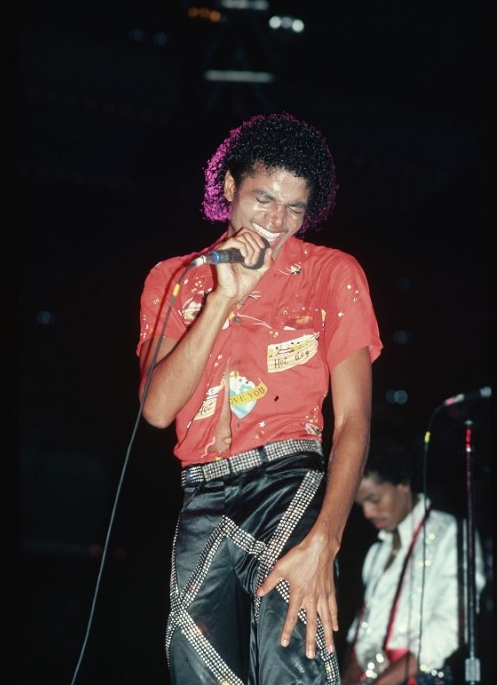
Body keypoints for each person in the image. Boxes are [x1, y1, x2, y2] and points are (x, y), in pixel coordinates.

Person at [136, 111, 383, 684]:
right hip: (201, 495)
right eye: (263, 200)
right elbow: (156, 409)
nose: (276, 223)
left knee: (291, 659)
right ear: (228, 189)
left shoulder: (332, 273)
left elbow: (353, 422)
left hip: (286, 482)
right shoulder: (175, 279)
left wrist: (326, 539)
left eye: (294, 208)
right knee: (197, 666)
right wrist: (224, 297)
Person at [340, 438, 487, 685]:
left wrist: (384, 682)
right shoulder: (377, 551)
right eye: (361, 504)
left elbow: (452, 625)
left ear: (404, 485)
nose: (367, 513)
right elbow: (362, 631)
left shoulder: (450, 534)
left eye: (374, 499)